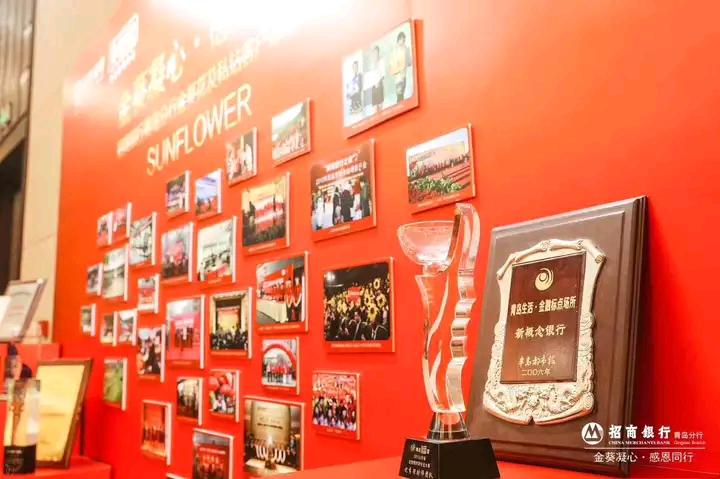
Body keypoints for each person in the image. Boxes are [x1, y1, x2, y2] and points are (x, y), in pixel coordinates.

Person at [389, 30, 412, 103]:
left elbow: (409, 63)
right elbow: (392, 65)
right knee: (400, 97)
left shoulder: (405, 49)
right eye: (402, 40)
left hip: (403, 76)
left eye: (404, 40)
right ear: (399, 40)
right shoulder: (395, 50)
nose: (403, 42)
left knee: (401, 97)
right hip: (398, 78)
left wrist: (407, 53)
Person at [367, 45, 384, 113]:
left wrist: (378, 82)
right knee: (375, 107)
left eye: (376, 52)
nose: (375, 54)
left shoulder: (381, 62)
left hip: (380, 85)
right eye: (374, 53)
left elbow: (383, 74)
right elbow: (370, 76)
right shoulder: (371, 64)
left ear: (378, 53)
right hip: (373, 87)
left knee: (380, 106)